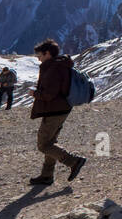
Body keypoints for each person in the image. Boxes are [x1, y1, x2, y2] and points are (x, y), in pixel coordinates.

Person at [29, 40, 85, 186]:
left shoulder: (53, 68)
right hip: (61, 109)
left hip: (54, 110)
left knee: (43, 144)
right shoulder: (60, 65)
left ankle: (73, 161)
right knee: (51, 142)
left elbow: (49, 94)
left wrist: (35, 93)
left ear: (47, 53)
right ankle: (47, 175)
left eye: (39, 55)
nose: (38, 58)